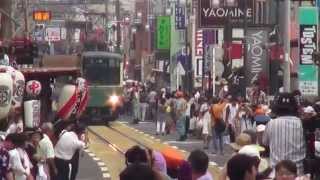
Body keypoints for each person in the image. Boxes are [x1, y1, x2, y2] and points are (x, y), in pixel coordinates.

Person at [263, 93, 306, 175]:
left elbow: (265, 143)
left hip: (276, 173)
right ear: (294, 109)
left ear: (277, 109)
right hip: (297, 172)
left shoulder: (271, 123)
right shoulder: (301, 123)